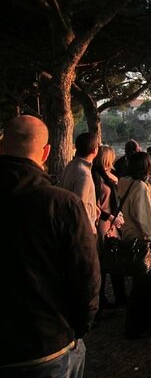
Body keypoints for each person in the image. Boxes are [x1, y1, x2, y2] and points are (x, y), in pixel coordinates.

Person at [0, 115, 100, 377]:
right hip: (48, 344)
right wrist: (77, 330)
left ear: (2, 146)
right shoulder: (62, 204)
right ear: (46, 152)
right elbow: (87, 276)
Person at [117, 152, 151, 339]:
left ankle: (147, 323)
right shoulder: (140, 188)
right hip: (143, 243)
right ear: (146, 166)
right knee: (142, 287)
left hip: (130, 238)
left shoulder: (125, 182)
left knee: (141, 286)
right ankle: (137, 327)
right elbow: (145, 218)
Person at [91, 145, 127, 309]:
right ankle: (102, 300)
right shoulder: (97, 178)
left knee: (116, 260)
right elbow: (95, 206)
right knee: (105, 262)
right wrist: (111, 217)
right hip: (104, 224)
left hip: (113, 223)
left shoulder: (107, 175)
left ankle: (120, 296)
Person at [61, 132, 99, 233]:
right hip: (83, 230)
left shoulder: (70, 165)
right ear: (95, 150)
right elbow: (79, 206)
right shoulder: (84, 173)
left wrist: (93, 206)